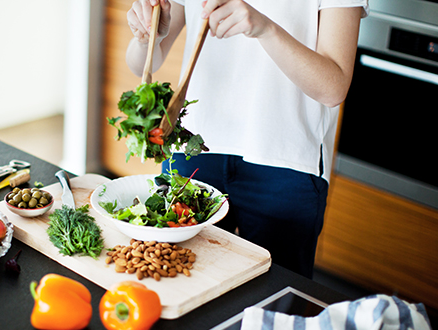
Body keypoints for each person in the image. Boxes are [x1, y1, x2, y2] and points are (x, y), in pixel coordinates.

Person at [125, 0, 369, 278]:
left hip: (286, 164)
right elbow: (144, 61)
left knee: (275, 303)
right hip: (194, 154)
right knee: (179, 283)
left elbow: (333, 88)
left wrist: (265, 28)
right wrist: (147, 37)